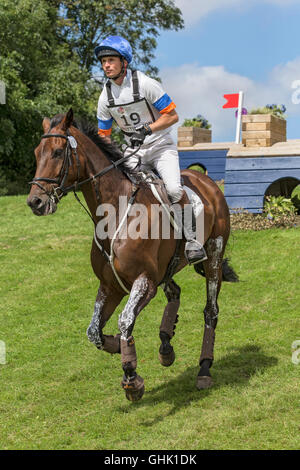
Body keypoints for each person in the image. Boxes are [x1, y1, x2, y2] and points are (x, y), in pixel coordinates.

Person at [95, 35, 207, 265]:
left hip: (160, 147)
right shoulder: (105, 97)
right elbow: (103, 136)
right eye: (103, 61)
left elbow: (173, 116)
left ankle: (193, 241)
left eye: (111, 60)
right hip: (133, 152)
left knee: (174, 190)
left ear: (124, 62)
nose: (106, 65)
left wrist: (148, 129)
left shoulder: (146, 84)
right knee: (118, 192)